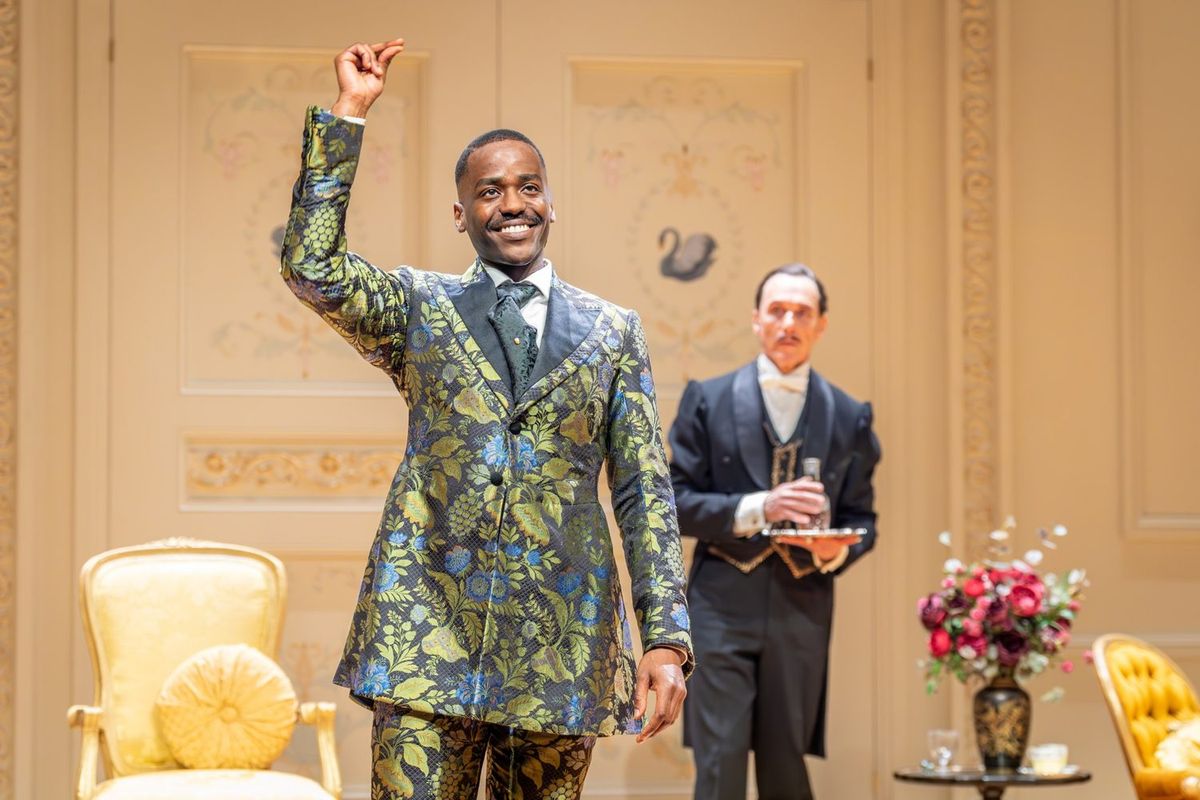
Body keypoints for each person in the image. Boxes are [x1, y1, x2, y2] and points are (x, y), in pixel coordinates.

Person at [280, 38, 693, 800]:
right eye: (490, 191)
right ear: (461, 213)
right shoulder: (420, 308)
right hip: (424, 637)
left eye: (528, 187)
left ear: (551, 202)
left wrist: (665, 637)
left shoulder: (613, 332)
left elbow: (644, 491)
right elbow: (314, 269)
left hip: (560, 646)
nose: (512, 204)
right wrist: (349, 114)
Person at [668, 263, 881, 800]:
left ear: (821, 324)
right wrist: (763, 507)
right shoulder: (708, 399)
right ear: (756, 319)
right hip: (719, 606)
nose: (789, 322)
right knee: (720, 767)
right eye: (777, 310)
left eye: (802, 313)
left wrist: (833, 552)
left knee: (787, 768)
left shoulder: (850, 414)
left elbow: (863, 520)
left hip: (802, 606)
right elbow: (675, 504)